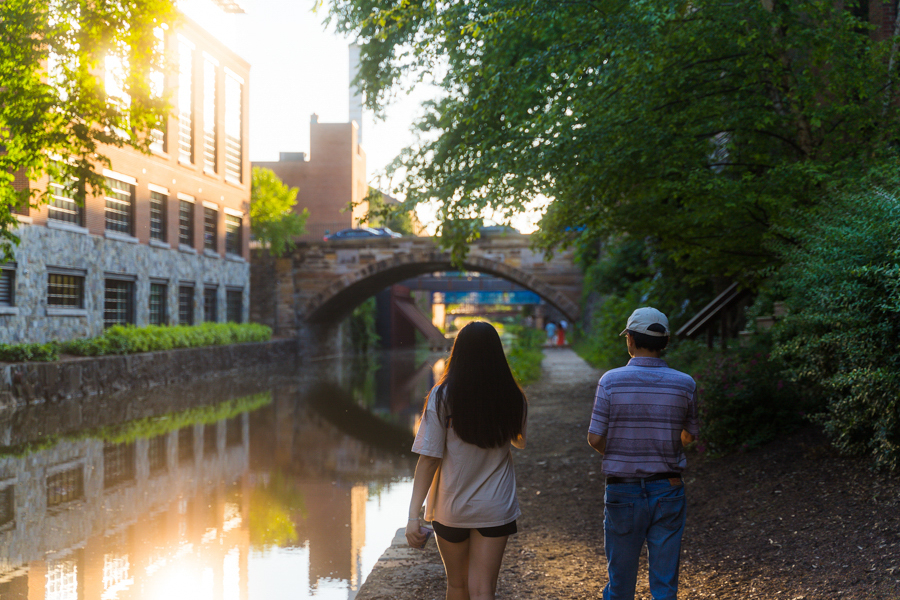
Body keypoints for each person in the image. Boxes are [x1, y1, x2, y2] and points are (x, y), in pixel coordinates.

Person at [406, 321, 528, 600]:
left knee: (458, 586)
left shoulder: (442, 394)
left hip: (452, 506)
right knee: (483, 590)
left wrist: (414, 516)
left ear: (457, 352)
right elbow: (518, 441)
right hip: (495, 505)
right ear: (497, 354)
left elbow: (429, 459)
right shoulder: (513, 396)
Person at [586, 307, 699, 600]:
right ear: (665, 343)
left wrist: (622, 451)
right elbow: (689, 436)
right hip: (669, 489)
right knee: (664, 586)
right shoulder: (685, 384)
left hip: (623, 490)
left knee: (620, 584)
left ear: (630, 341)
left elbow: (595, 437)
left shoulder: (610, 382)